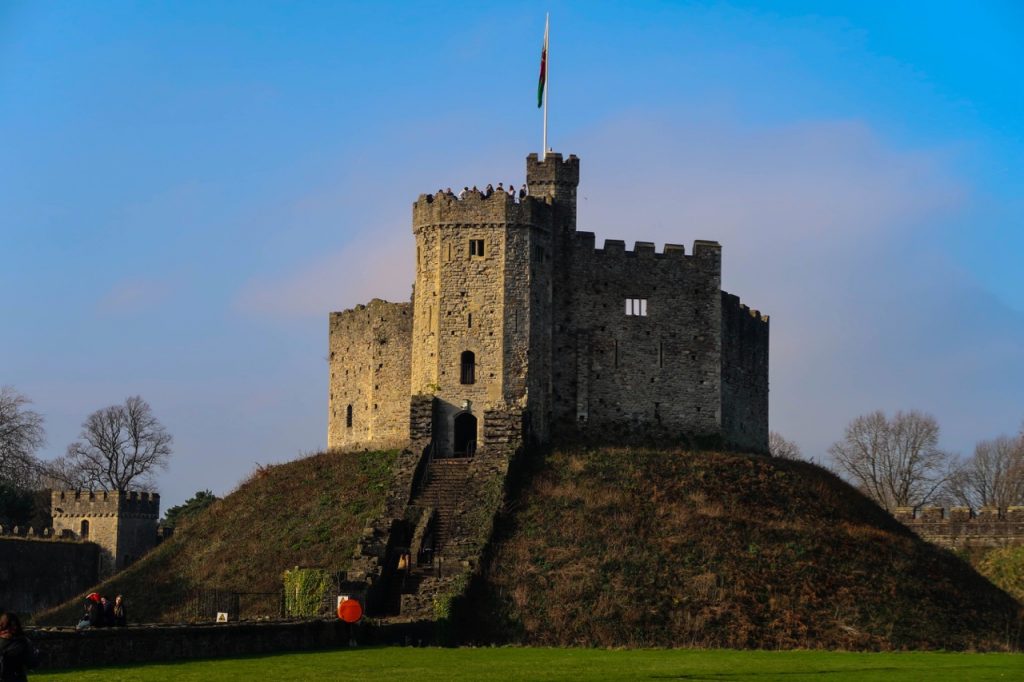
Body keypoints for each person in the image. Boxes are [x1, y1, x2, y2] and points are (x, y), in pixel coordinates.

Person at [0, 612, 34, 682]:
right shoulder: (22, 641)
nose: (14, 627)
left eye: (15, 625)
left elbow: (30, 662)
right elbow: (31, 663)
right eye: (12, 625)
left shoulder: (22, 641)